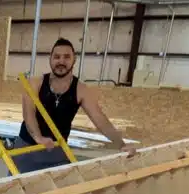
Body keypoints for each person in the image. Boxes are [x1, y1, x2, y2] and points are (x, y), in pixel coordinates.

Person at [12, 37, 135, 174]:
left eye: (66, 57)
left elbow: (100, 119)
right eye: (57, 57)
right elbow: (28, 114)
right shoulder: (35, 83)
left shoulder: (81, 90)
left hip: (57, 150)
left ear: (74, 60)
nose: (61, 61)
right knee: (17, 185)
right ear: (50, 59)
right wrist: (38, 137)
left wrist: (121, 144)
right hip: (27, 148)